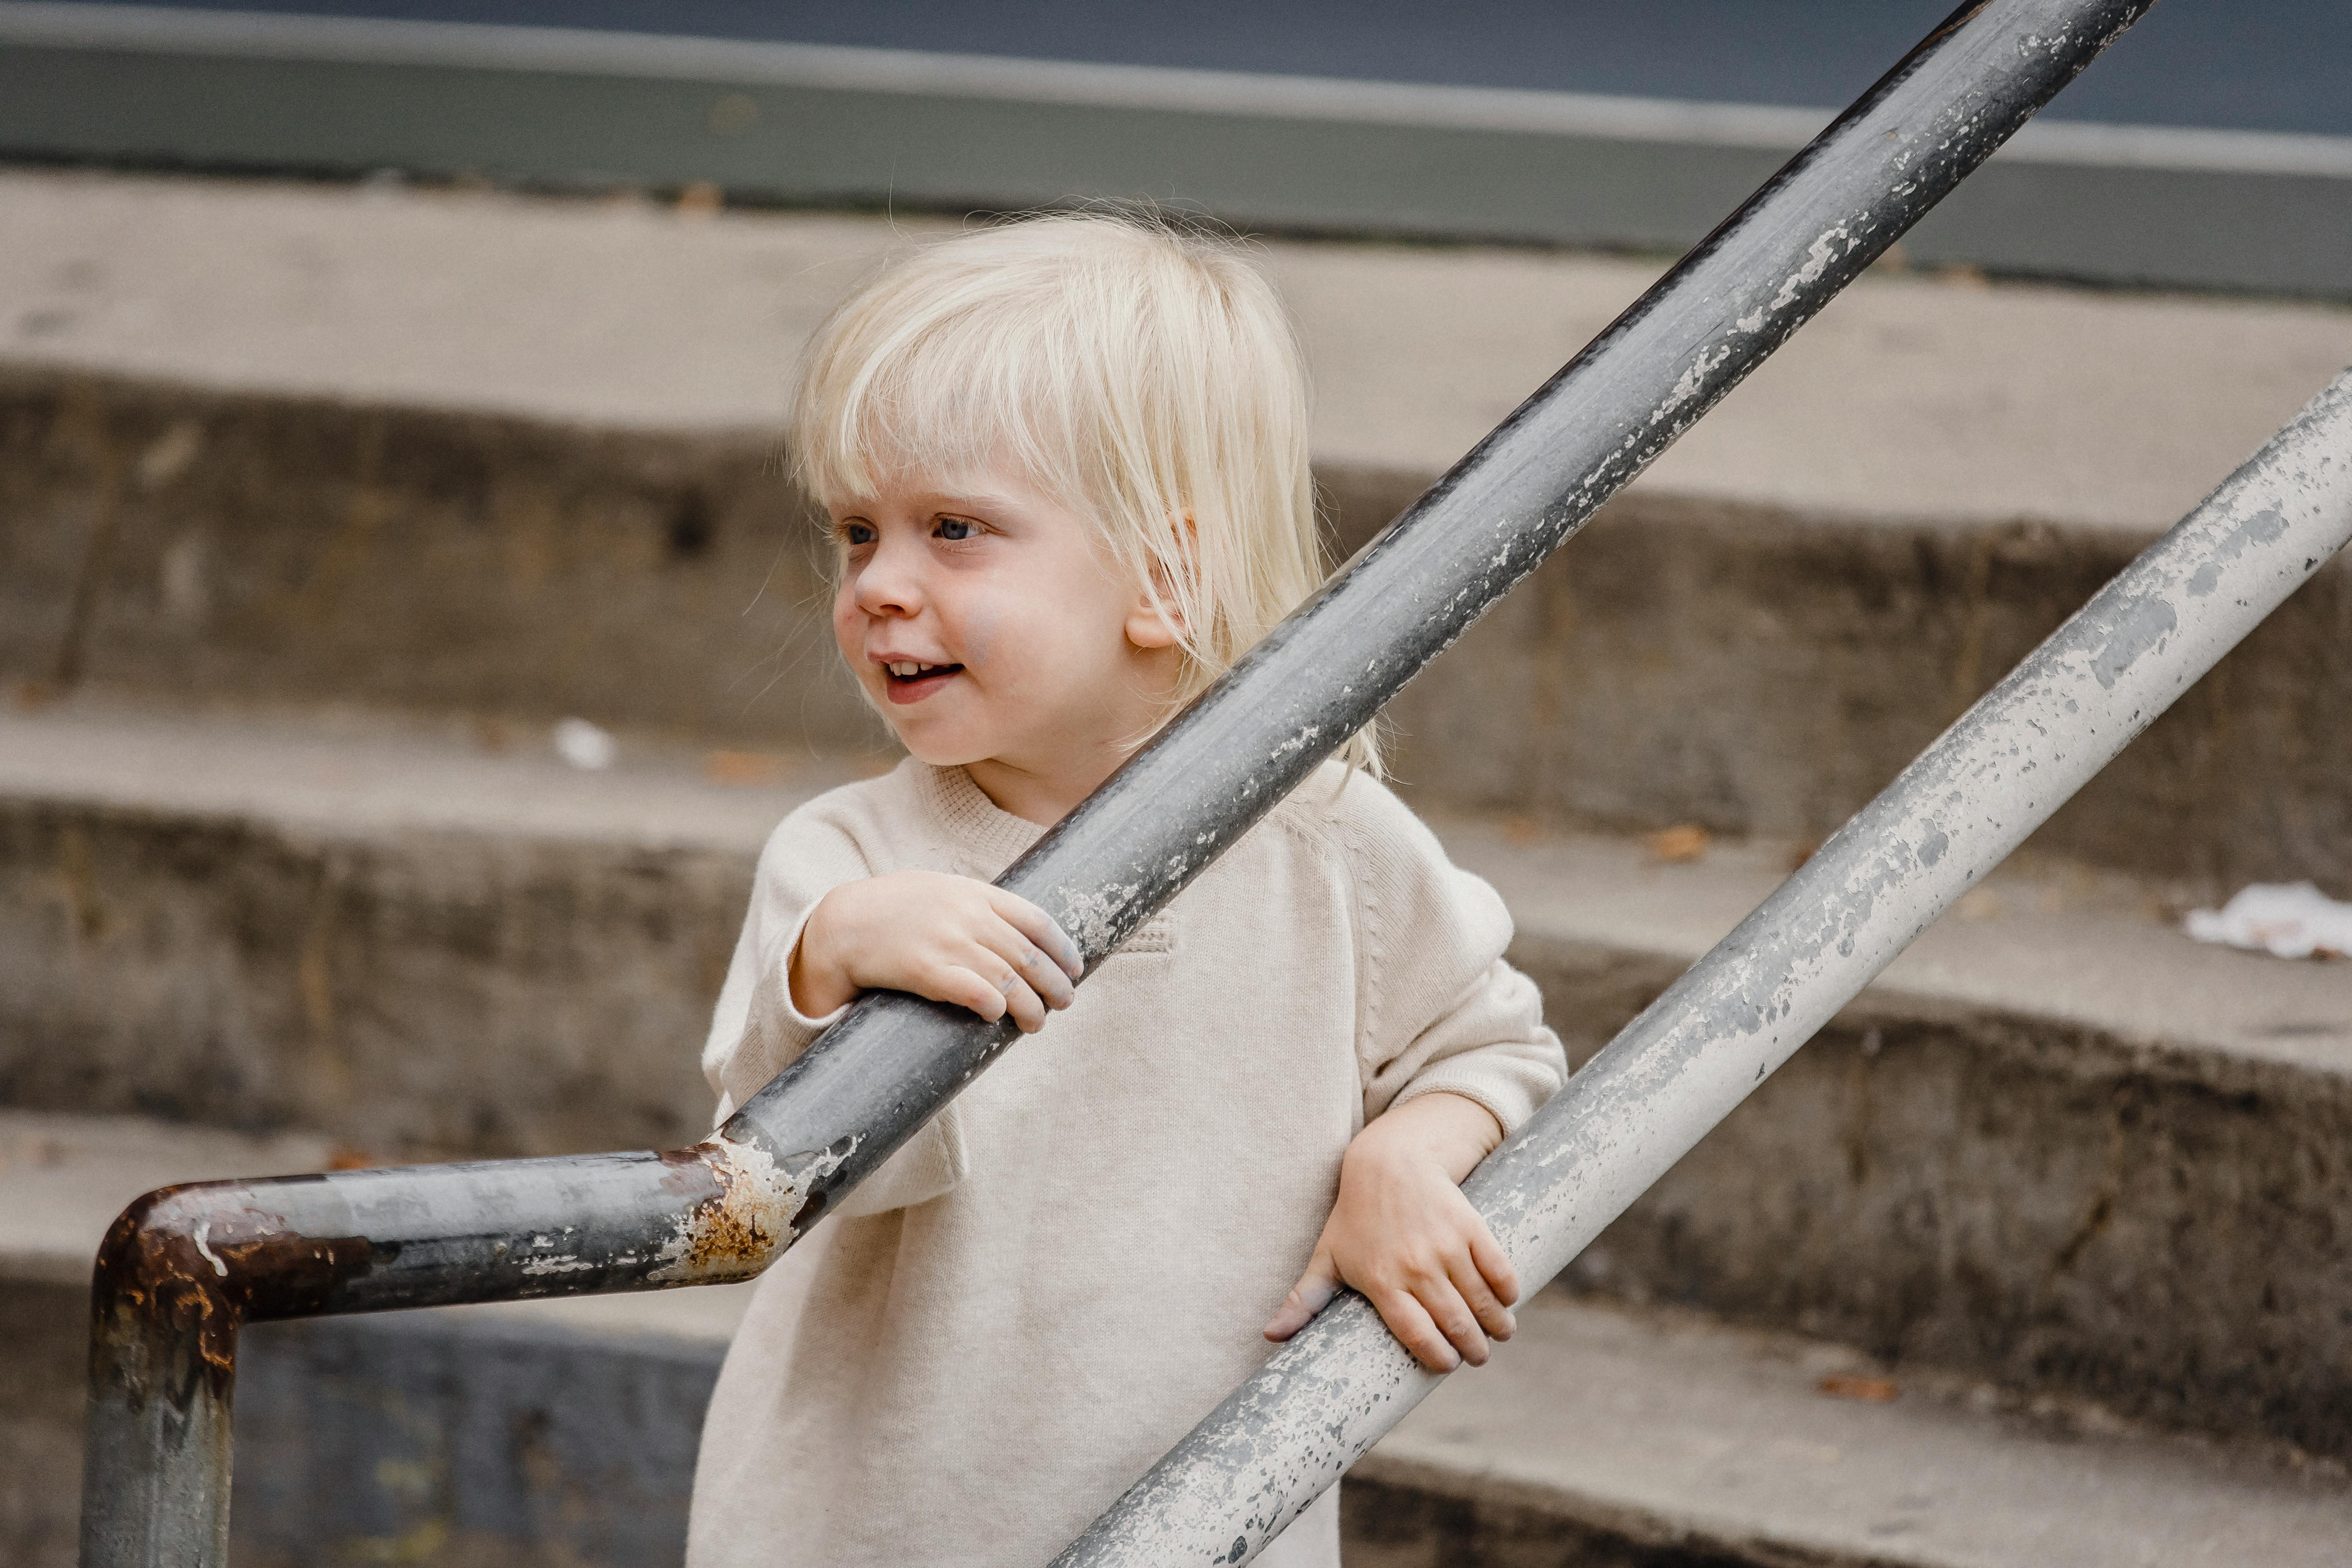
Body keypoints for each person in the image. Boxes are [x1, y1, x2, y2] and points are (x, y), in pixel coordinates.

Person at [687, 213, 1566, 1568]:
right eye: (859, 532)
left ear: (1165, 577)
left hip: (1203, 1522)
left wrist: (1408, 1150)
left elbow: (1491, 1041)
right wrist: (835, 964)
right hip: (872, 1528)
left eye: (955, 528)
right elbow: (786, 1181)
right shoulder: (848, 863)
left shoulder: (1328, 845)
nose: (877, 586)